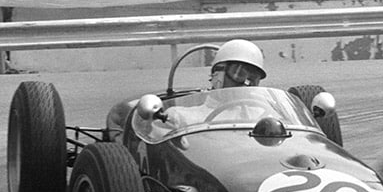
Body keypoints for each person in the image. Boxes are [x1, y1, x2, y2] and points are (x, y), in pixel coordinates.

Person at [105, 39, 267, 139]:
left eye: (251, 79)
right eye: (238, 73)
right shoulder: (180, 118)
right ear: (218, 74)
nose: (243, 83)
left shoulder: (262, 117)